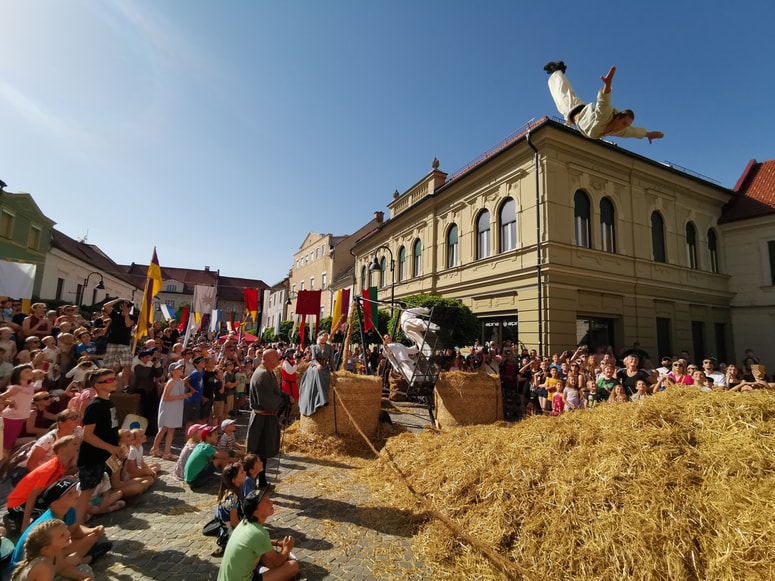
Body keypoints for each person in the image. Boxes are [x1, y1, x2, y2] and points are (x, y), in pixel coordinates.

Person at [545, 61, 664, 142]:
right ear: (617, 117)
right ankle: (557, 70)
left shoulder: (619, 131)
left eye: (627, 125)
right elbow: (604, 102)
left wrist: (649, 134)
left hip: (581, 112)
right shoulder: (605, 114)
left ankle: (558, 71)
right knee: (561, 93)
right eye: (624, 123)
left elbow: (633, 132)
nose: (624, 127)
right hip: (574, 110)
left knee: (565, 92)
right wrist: (607, 85)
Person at [9, 478, 107, 576]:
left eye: (75, 491)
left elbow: (76, 531)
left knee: (92, 537)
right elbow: (52, 553)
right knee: (72, 560)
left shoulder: (69, 509)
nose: (76, 494)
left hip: (51, 552)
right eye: (70, 494)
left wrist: (93, 530)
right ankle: (85, 559)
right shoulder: (50, 524)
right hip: (29, 565)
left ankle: (79, 560)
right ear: (55, 504)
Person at [216, 486, 299, 581]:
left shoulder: (244, 523)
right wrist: (287, 549)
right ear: (256, 512)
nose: (271, 502)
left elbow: (254, 542)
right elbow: (278, 562)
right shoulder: (259, 533)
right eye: (266, 502)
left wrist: (277, 543)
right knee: (292, 566)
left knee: (264, 554)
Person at [75, 368, 123, 526]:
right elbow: (87, 435)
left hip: (104, 454)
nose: (114, 381)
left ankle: (83, 520)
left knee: (95, 488)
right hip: (92, 456)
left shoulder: (108, 401)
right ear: (98, 385)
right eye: (109, 380)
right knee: (86, 492)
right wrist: (110, 447)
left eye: (114, 378)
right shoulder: (94, 406)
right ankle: (77, 525)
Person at [246, 349, 286, 488]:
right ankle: (250, 484)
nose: (278, 358)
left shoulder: (269, 372)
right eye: (276, 356)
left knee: (263, 452)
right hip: (261, 418)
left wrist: (284, 395)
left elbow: (275, 391)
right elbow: (267, 401)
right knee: (256, 452)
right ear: (268, 359)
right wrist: (283, 401)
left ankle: (261, 481)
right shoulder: (262, 374)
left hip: (266, 417)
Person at [9, 519, 88, 581]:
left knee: (84, 569)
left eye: (66, 530)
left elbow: (61, 569)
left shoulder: (53, 552)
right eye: (62, 535)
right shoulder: (42, 567)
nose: (68, 533)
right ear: (46, 548)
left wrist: (79, 576)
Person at [151, 360, 193, 460]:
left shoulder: (180, 382)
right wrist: (183, 396)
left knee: (171, 430)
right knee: (164, 429)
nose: (181, 370)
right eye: (178, 369)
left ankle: (167, 452)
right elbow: (165, 397)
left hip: (176, 408)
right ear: (173, 371)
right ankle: (155, 448)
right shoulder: (170, 382)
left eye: (181, 368)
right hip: (168, 408)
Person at [1, 364, 37, 452]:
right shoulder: (16, 388)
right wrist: (9, 402)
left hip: (19, 418)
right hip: (11, 418)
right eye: (26, 371)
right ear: (18, 374)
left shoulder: (30, 386)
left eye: (31, 371)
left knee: (10, 442)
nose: (30, 373)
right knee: (6, 445)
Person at [102, 299, 136, 390]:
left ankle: (126, 385)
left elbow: (128, 324)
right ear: (121, 307)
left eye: (129, 307)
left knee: (127, 364)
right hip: (112, 342)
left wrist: (126, 314)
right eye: (126, 306)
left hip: (124, 343)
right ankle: (108, 383)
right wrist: (119, 299)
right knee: (109, 365)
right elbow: (106, 306)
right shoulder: (115, 314)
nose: (128, 308)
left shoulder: (133, 317)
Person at [184, 425, 230, 489]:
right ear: (207, 437)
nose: (218, 436)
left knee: (218, 458)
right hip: (193, 482)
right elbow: (225, 456)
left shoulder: (201, 445)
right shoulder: (206, 447)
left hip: (189, 480)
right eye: (215, 434)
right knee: (220, 460)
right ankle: (229, 480)